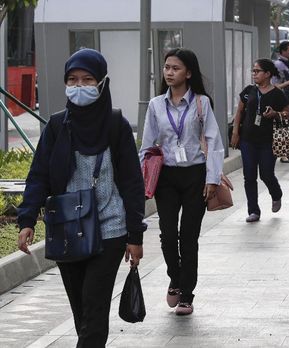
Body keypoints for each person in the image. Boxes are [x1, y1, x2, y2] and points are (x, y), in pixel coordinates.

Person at [17, 48, 146, 347]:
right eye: (72, 80)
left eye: (88, 80)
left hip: (110, 231)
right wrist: (27, 220)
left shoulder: (116, 126)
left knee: (95, 307)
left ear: (102, 83)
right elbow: (39, 176)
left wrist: (135, 234)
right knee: (82, 313)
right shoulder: (57, 125)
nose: (79, 87)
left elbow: (131, 183)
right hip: (67, 231)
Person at [140, 48, 225, 315]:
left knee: (189, 237)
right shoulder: (155, 105)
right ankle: (175, 277)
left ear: (188, 73)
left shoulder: (201, 102)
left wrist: (212, 178)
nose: (169, 72)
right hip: (166, 176)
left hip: (195, 175)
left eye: (175, 68)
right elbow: (146, 146)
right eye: (166, 67)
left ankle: (187, 294)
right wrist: (141, 180)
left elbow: (214, 142)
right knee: (167, 234)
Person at [230, 59, 289, 223]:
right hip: (247, 140)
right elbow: (239, 112)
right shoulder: (248, 91)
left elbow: (288, 114)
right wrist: (235, 133)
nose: (254, 74)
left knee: (266, 174)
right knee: (249, 176)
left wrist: (275, 114)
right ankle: (253, 211)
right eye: (253, 71)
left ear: (268, 74)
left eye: (257, 71)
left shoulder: (277, 93)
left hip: (268, 141)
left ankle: (276, 194)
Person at [272, 41, 289, 162]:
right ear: (283, 51)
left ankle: (288, 152)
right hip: (280, 99)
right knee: (282, 127)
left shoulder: (288, 64)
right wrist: (288, 83)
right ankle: (282, 153)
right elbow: (275, 85)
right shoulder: (278, 64)